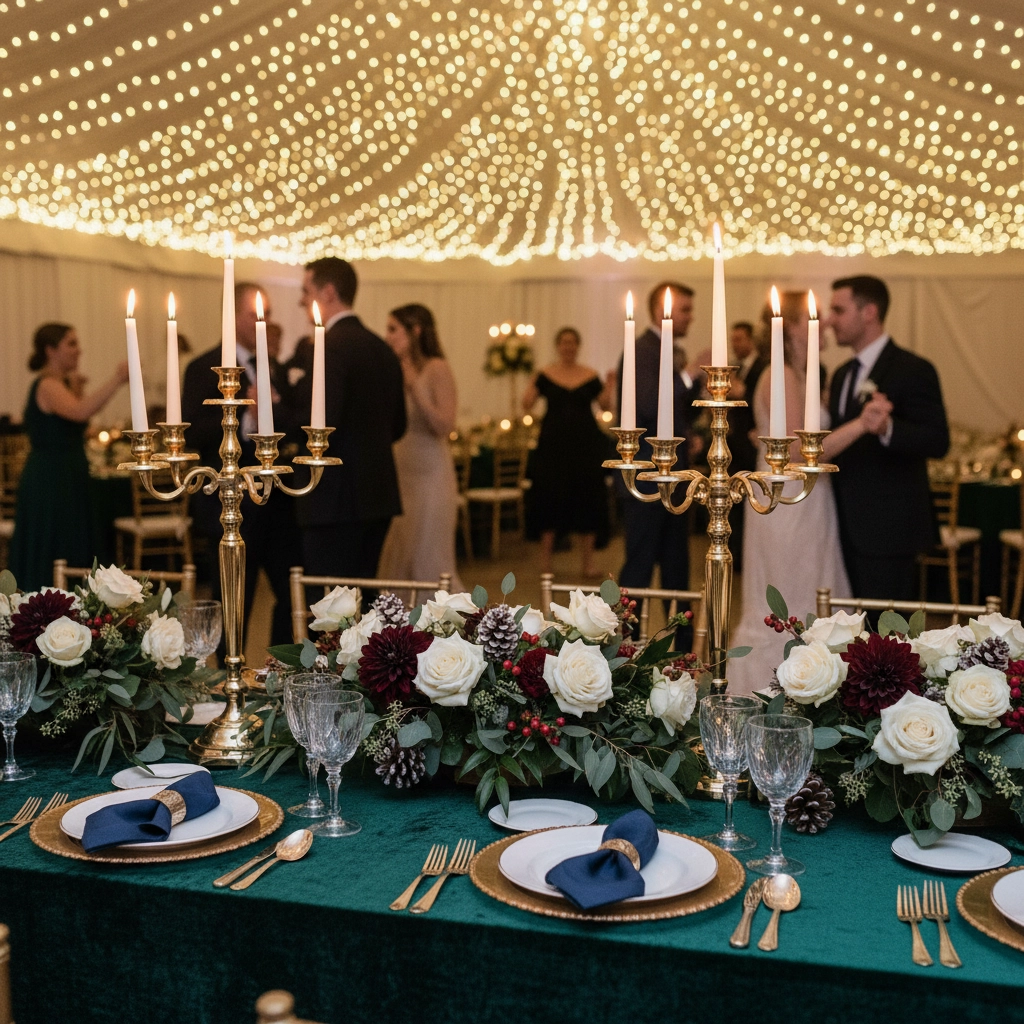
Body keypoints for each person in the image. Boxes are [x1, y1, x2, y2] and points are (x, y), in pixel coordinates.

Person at [728, 293, 853, 695]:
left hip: (809, 499)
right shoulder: (780, 373)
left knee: (812, 589)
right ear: (794, 328)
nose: (826, 325)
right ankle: (768, 694)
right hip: (787, 500)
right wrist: (862, 426)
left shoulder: (799, 374)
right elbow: (801, 450)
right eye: (814, 318)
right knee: (790, 596)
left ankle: (816, 690)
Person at [181, 283, 302, 647]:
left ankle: (281, 668)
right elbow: (193, 432)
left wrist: (272, 413)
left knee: (290, 590)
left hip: (275, 500)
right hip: (226, 499)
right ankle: (225, 675)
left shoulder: (273, 366)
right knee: (232, 595)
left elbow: (291, 422)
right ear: (233, 316)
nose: (264, 321)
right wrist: (240, 418)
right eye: (255, 314)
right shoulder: (203, 367)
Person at [825, 275, 950, 601]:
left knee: (890, 637)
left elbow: (938, 440)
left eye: (838, 310)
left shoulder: (912, 368)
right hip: (840, 527)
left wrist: (888, 429)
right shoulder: (841, 375)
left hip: (889, 531)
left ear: (869, 312)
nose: (829, 320)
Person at [293, 257, 406, 581]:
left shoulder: (330, 346)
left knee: (328, 603)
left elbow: (321, 423)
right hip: (377, 495)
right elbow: (399, 427)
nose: (302, 300)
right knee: (364, 597)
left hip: (333, 498)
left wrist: (271, 414)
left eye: (306, 290)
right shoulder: (382, 348)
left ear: (328, 292)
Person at [10, 323, 129, 590]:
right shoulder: (47, 385)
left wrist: (77, 387)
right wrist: (117, 380)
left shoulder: (62, 384)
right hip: (51, 478)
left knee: (72, 539)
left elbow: (79, 424)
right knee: (56, 541)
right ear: (51, 350)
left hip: (68, 474)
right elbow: (80, 412)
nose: (79, 350)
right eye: (71, 344)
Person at [616, 282, 704, 609]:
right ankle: (624, 648)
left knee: (677, 569)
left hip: (675, 474)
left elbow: (672, 410)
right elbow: (650, 405)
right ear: (661, 311)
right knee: (639, 569)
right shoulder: (642, 349)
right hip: (647, 476)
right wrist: (688, 375)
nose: (690, 318)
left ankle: (682, 650)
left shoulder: (662, 349)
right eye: (685, 310)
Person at [378, 304, 463, 590]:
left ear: (415, 331)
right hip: (401, 475)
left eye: (393, 329)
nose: (388, 336)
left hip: (430, 477)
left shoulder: (436, 368)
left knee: (428, 559)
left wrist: (414, 387)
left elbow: (445, 426)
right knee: (399, 561)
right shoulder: (393, 369)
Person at [523, 327, 613, 578]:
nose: (568, 346)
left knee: (588, 497)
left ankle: (588, 563)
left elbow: (605, 405)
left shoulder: (589, 374)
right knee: (550, 497)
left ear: (578, 346)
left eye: (572, 342)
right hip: (553, 446)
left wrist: (611, 385)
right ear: (557, 346)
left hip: (586, 445)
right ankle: (546, 563)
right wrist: (531, 380)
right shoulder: (545, 374)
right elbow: (527, 404)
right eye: (564, 342)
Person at [727, 320, 767, 574]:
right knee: (734, 503)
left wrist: (741, 392)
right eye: (733, 339)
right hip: (734, 447)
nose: (735, 344)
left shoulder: (763, 367)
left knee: (751, 502)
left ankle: (744, 559)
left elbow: (762, 404)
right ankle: (736, 557)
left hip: (753, 447)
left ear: (751, 340)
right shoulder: (737, 369)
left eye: (740, 339)